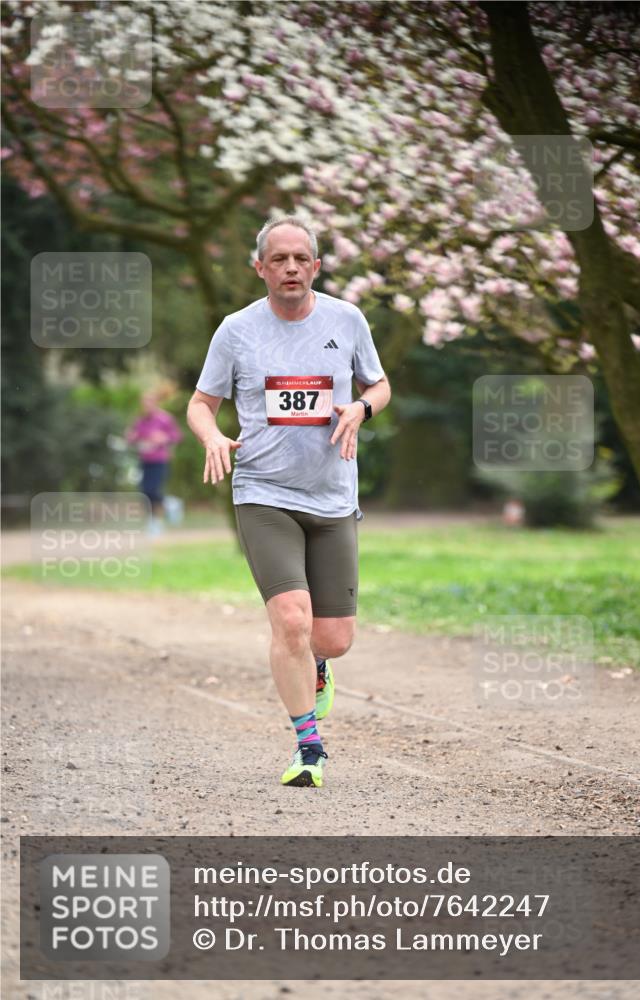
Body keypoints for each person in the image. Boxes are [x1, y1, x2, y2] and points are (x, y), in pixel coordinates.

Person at [187, 216, 391, 787]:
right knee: (291, 620)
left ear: (317, 266)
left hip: (332, 497)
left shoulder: (346, 319)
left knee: (332, 638)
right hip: (263, 494)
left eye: (301, 258)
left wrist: (361, 408)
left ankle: (319, 668)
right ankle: (309, 747)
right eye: (279, 259)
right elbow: (201, 402)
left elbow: (379, 385)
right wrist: (211, 436)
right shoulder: (236, 330)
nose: (291, 268)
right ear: (260, 268)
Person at [126, 390, 183, 535]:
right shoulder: (140, 420)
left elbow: (176, 436)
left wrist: (163, 438)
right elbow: (132, 437)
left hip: (160, 459)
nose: (147, 405)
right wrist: (131, 437)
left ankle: (170, 505)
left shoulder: (164, 419)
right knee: (145, 492)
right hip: (145, 460)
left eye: (149, 402)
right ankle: (155, 522)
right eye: (144, 403)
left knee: (153, 490)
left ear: (155, 403)